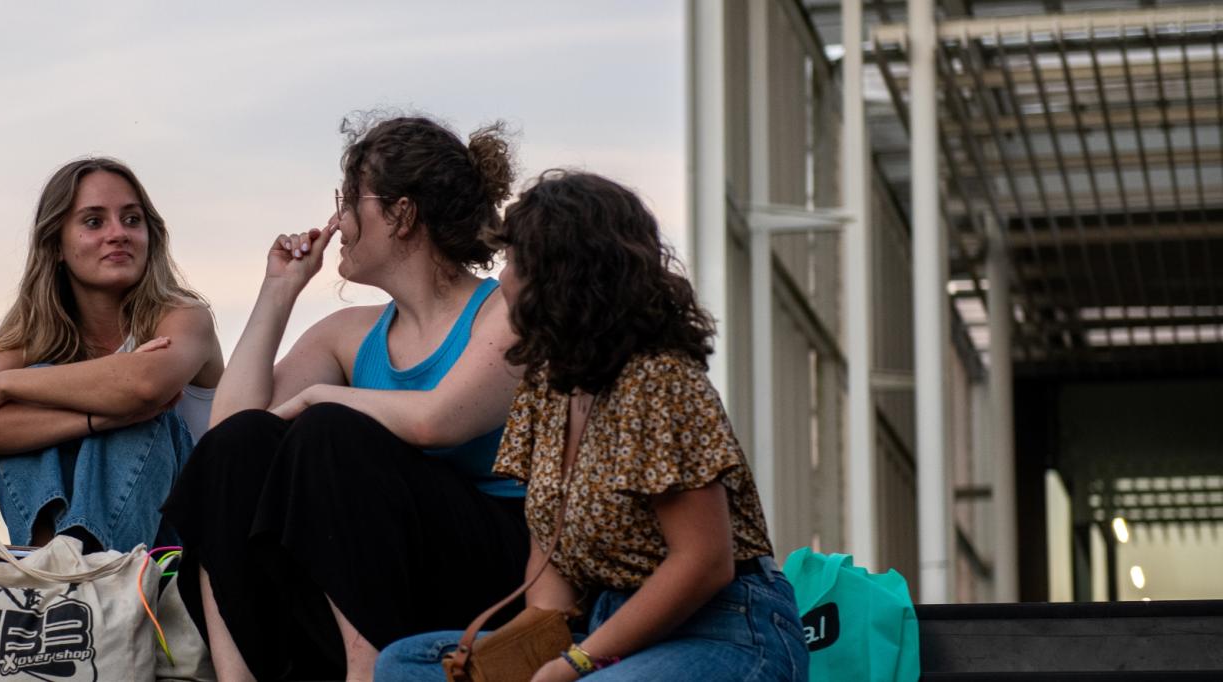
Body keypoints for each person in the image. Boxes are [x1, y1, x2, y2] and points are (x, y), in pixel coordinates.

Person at [374, 170, 809, 681]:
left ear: (560, 274)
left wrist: (578, 662)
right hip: (606, 626)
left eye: (515, 262)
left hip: (726, 629)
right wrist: (532, 652)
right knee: (406, 665)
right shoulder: (547, 385)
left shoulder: (657, 379)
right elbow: (550, 570)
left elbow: (705, 562)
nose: (504, 279)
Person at [161, 115, 528, 681]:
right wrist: (278, 291)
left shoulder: (502, 313)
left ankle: (369, 674)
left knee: (332, 431)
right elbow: (230, 436)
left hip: (496, 571)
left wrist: (322, 401)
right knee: (243, 444)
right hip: (381, 570)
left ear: (401, 214)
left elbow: (436, 422)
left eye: (350, 198)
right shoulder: (350, 334)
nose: (338, 220)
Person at [0, 157, 222, 553]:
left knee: (140, 412)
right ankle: (52, 563)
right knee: (75, 390)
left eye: (131, 220)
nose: (118, 234)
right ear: (56, 245)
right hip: (55, 555)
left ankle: (83, 564)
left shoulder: (184, 316)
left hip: (179, 548)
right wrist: (102, 415)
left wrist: (8, 384)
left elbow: (145, 386)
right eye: (94, 222)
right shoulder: (31, 332)